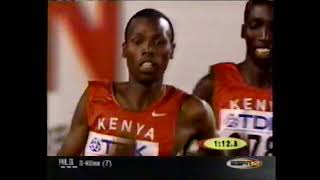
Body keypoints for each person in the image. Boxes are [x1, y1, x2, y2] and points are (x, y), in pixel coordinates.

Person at [57, 8, 218, 156]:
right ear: (125, 50)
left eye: (159, 42)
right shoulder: (94, 98)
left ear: (172, 50)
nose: (147, 49)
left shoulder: (193, 111)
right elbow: (61, 168)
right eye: (138, 41)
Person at [193, 0, 273, 156]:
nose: (264, 36)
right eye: (256, 25)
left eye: (273, 28)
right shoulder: (212, 85)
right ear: (244, 31)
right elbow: (186, 153)